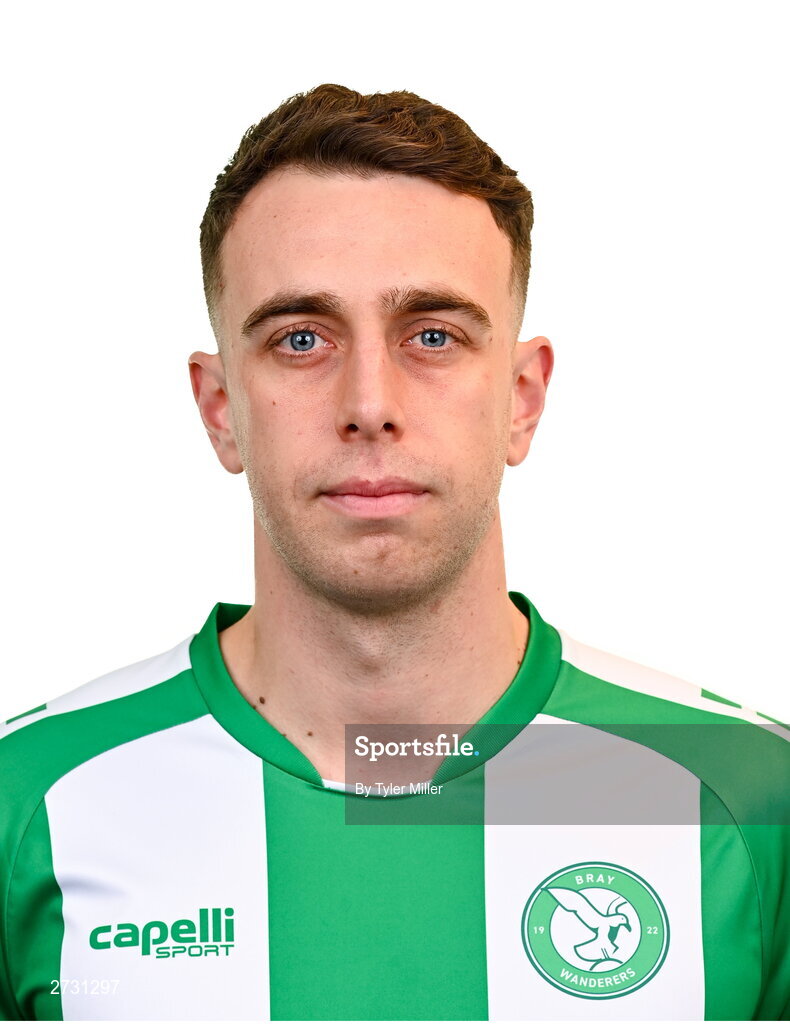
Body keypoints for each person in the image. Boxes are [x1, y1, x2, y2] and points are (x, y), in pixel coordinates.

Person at [0, 83, 787, 1023]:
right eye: (301, 338)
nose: (369, 401)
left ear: (524, 397)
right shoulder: (32, 800)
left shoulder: (745, 793)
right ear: (220, 411)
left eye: (433, 335)